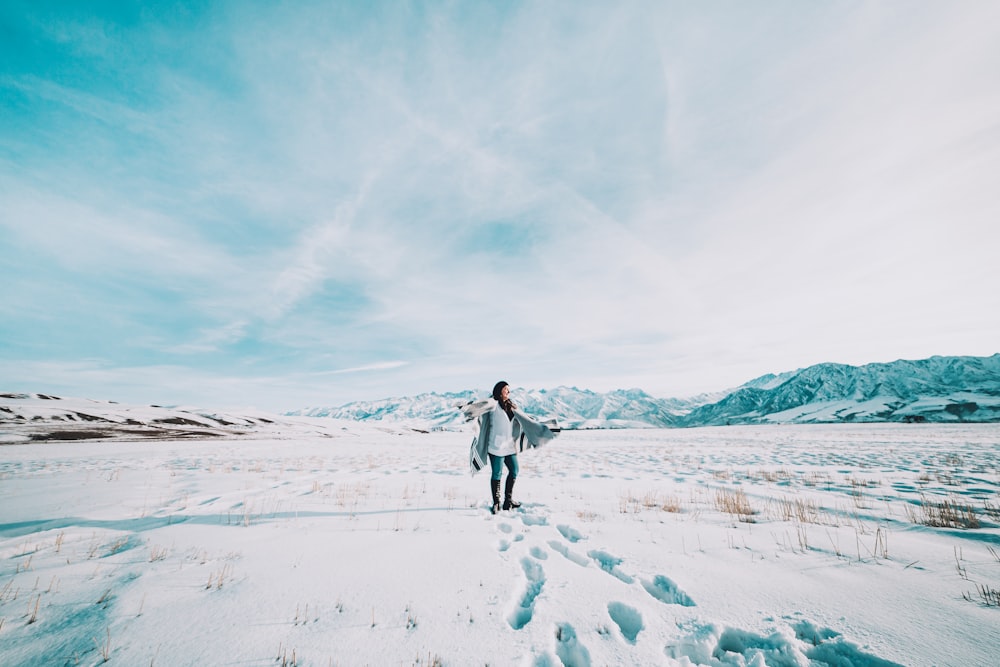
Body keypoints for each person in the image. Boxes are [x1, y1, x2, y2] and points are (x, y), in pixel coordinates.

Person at [464, 381, 559, 514]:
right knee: (497, 473)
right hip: (495, 447)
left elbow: (524, 419)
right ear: (499, 390)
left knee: (514, 470)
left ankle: (508, 501)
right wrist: (467, 407)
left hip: (509, 447)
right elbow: (479, 407)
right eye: (505, 389)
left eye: (508, 389)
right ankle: (496, 503)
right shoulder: (493, 403)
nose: (508, 392)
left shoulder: (511, 405)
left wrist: (540, 428)